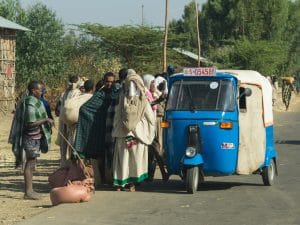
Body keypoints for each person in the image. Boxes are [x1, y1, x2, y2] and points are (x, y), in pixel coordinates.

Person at [112, 69, 156, 191]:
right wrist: (148, 131)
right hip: (138, 134)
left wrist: (117, 129)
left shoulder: (122, 97)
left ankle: (120, 183)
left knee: (123, 158)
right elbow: (151, 119)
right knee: (134, 159)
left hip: (122, 134)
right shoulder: (143, 100)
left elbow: (117, 116)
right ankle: (132, 184)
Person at [9, 80, 54, 200]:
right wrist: (46, 120)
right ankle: (28, 192)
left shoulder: (34, 101)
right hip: (30, 138)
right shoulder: (30, 102)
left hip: (34, 137)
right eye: (40, 90)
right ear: (34, 91)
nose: (42, 92)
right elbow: (30, 123)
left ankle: (30, 190)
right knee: (30, 163)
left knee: (32, 163)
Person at [74, 72, 118, 187]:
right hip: (100, 128)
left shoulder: (117, 93)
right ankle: (102, 179)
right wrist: (96, 121)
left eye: (112, 82)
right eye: (107, 81)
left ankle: (113, 178)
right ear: (103, 81)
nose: (109, 84)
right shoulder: (99, 95)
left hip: (114, 128)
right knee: (100, 156)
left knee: (114, 154)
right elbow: (84, 109)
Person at [56, 75, 82, 167]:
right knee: (69, 141)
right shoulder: (76, 93)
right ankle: (69, 164)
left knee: (67, 141)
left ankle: (65, 163)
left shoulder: (66, 93)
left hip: (67, 120)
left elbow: (58, 109)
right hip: (69, 121)